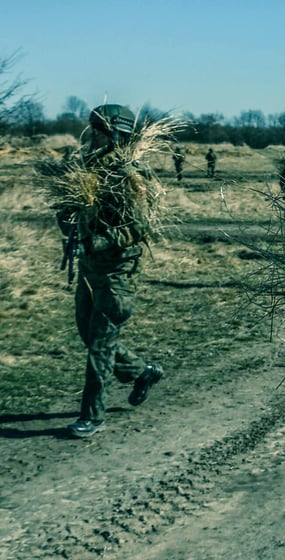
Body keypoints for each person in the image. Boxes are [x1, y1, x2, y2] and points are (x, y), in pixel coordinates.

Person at [54, 104, 164, 438]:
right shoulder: (87, 170)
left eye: (100, 131)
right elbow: (75, 216)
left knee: (100, 345)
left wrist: (97, 243)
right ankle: (141, 371)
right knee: (88, 335)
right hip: (89, 270)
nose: (93, 137)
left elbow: (140, 228)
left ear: (117, 135)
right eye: (93, 130)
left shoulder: (129, 174)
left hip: (117, 274)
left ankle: (92, 415)